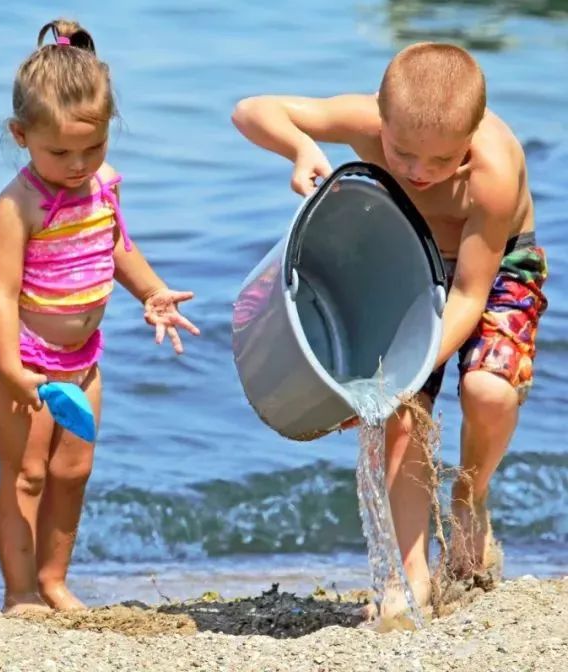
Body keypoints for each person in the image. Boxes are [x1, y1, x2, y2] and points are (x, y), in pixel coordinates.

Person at [232, 42, 548, 618]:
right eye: (402, 154)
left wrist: (408, 371)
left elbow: (470, 296)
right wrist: (302, 148)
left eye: (441, 161)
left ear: (472, 136)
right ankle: (409, 580)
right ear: (381, 115)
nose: (418, 173)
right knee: (400, 419)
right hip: (406, 257)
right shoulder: (367, 122)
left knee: (488, 390)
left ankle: (470, 496)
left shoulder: (493, 173)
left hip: (496, 266)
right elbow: (252, 110)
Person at [0, 18, 200, 615]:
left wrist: (151, 292)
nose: (77, 164)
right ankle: (20, 591)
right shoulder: (16, 206)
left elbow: (118, 248)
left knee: (72, 470)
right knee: (26, 473)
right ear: (20, 135)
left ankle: (53, 580)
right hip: (22, 357)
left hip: (83, 358)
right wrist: (9, 366)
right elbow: (0, 293)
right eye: (60, 152)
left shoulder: (102, 186)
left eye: (92, 147)